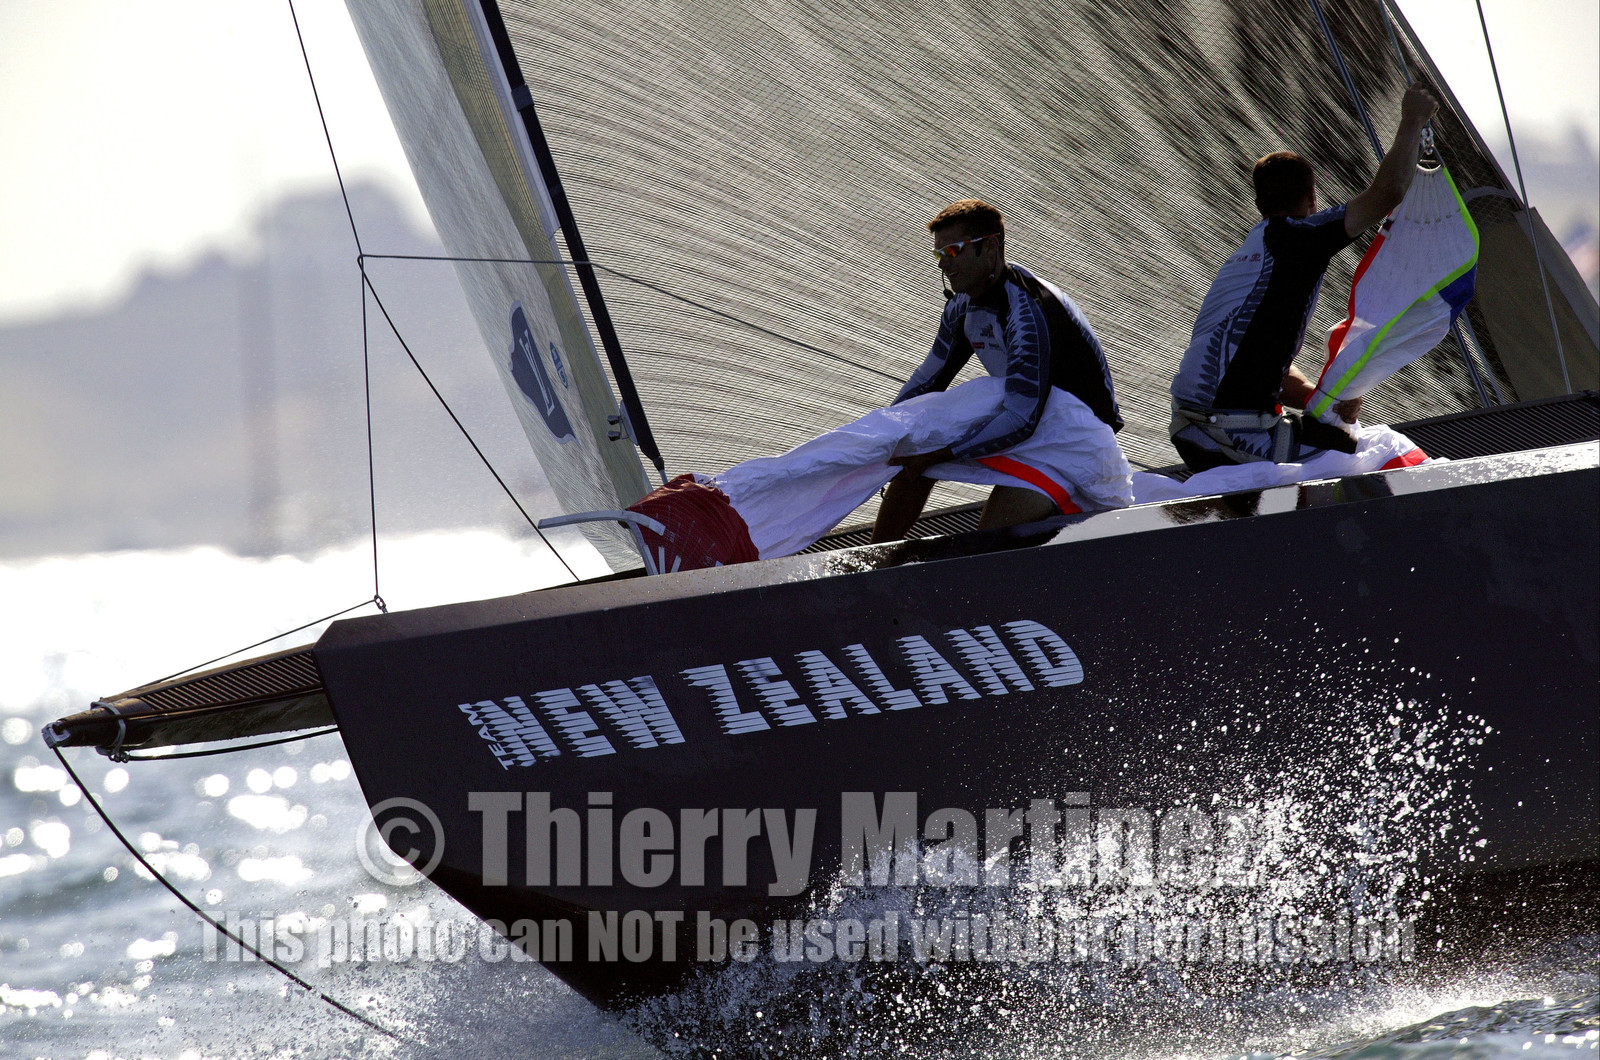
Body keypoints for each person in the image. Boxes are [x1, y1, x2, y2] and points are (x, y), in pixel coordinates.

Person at [1169, 84, 1440, 472]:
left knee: (1335, 429)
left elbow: (1259, 367)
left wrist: (1318, 396)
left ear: (1260, 205)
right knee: (1374, 452)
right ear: (1313, 200)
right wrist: (1413, 119)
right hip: (1228, 432)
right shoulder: (1300, 238)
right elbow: (1389, 192)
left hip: (1189, 425)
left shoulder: (1253, 251)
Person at [869, 199, 1127, 543]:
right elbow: (927, 381)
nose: (945, 264)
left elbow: (1022, 420)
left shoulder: (1028, 313)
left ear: (990, 247)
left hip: (1076, 446)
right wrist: (883, 439)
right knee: (912, 456)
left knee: (988, 544)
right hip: (1031, 421)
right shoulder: (962, 305)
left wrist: (937, 455)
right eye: (939, 254)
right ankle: (877, 561)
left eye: (954, 251)